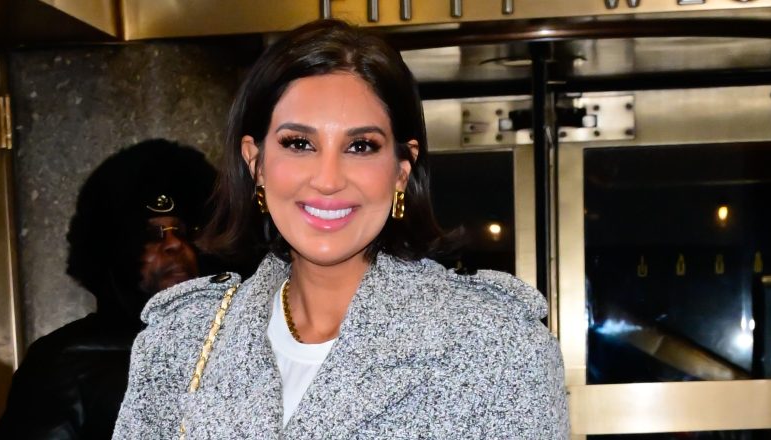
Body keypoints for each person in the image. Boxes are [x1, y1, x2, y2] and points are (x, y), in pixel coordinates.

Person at [113, 20, 569, 439]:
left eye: (360, 146)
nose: (328, 179)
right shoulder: (181, 342)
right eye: (299, 143)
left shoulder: (497, 349)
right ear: (256, 164)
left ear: (401, 171)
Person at [0, 139, 218, 440]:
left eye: (182, 231)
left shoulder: (238, 343)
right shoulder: (62, 362)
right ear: (113, 253)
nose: (175, 244)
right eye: (151, 235)